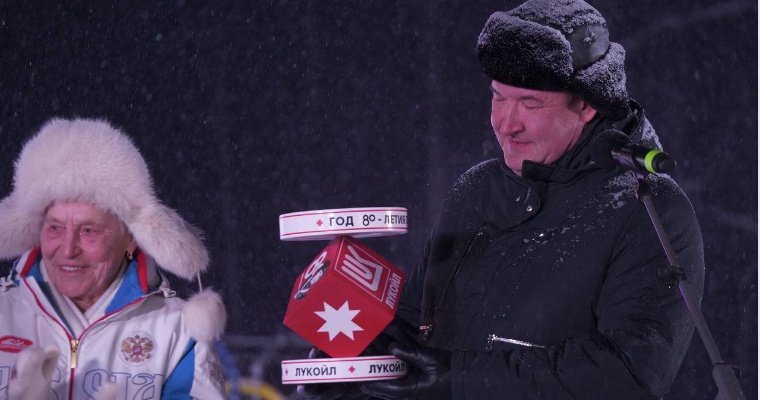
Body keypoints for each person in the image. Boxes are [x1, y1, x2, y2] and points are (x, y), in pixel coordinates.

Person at [302, 0, 705, 399]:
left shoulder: (648, 209)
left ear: (586, 104)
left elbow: (628, 376)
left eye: (530, 103)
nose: (505, 124)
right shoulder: (475, 191)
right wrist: (357, 369)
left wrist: (454, 380)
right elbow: (415, 330)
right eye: (498, 97)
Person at [0, 118, 227, 399]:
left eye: (88, 231)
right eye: (55, 228)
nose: (68, 249)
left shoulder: (178, 332)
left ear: (131, 237)